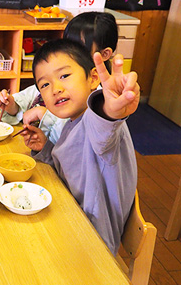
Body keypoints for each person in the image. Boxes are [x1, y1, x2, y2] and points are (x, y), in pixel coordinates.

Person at [20, 38, 139, 255]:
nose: (55, 88)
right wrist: (45, 148)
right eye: (44, 84)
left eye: (64, 76)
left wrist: (110, 108)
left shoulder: (97, 122)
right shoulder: (72, 122)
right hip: (68, 219)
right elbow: (71, 166)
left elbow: (104, 125)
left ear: (93, 78)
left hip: (91, 243)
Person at [0, 11, 119, 144]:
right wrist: (11, 104)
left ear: (104, 54)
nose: (68, 53)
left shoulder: (99, 100)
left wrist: (44, 115)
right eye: (67, 45)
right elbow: (25, 99)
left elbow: (76, 142)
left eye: (79, 48)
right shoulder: (54, 80)